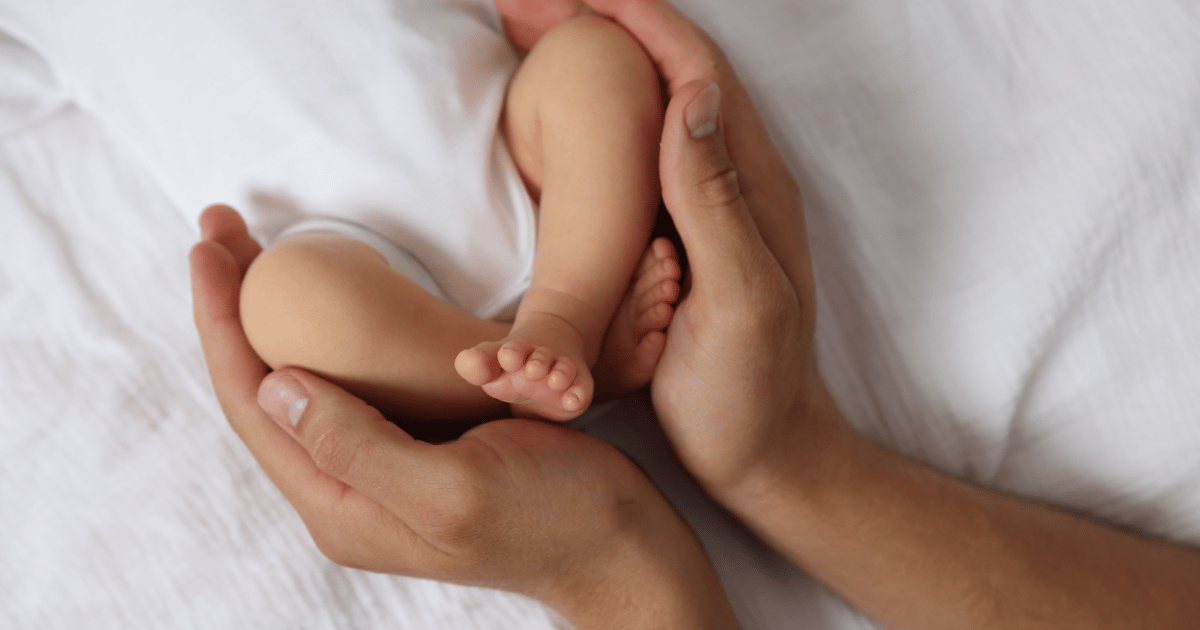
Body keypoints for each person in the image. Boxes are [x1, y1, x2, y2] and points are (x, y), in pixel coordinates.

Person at [191, 0, 1200, 627]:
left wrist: (619, 572)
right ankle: (531, 351)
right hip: (332, 233)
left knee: (593, 63)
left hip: (501, 139)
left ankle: (562, 317)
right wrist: (783, 454)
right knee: (286, 299)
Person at [237, 14, 681, 424]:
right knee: (277, 298)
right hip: (344, 238)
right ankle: (527, 369)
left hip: (502, 141)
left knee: (593, 53)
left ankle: (569, 317)